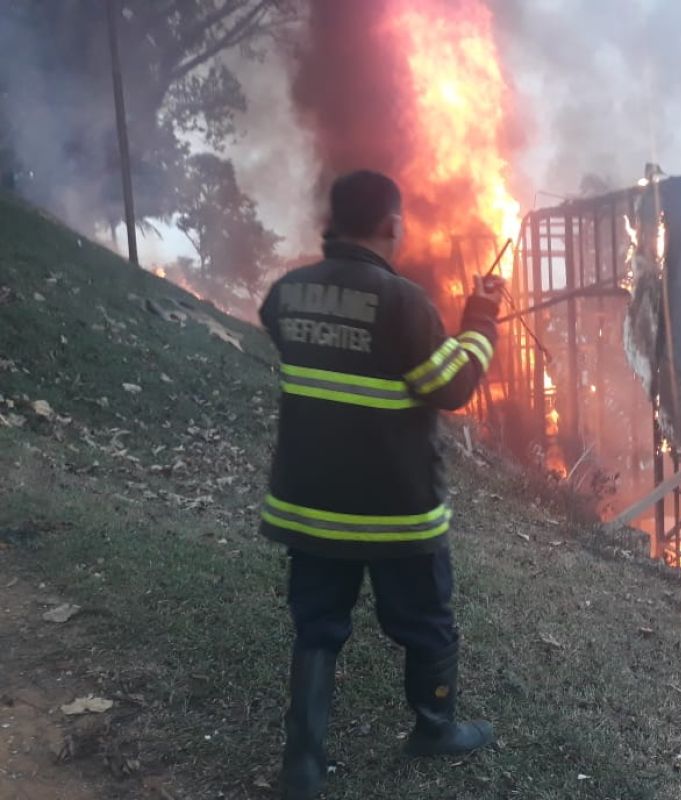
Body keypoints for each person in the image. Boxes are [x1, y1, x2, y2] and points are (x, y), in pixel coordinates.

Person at [257, 170, 503, 800]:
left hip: (311, 505)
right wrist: (481, 318)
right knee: (426, 621)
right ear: (392, 225)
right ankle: (435, 727)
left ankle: (303, 765)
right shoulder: (403, 303)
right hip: (396, 509)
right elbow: (450, 385)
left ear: (332, 222)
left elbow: (293, 340)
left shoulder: (287, 293)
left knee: (317, 624)